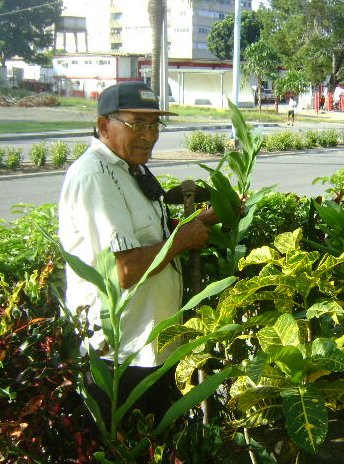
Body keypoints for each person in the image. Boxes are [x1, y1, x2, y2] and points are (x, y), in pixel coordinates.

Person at [58, 81, 218, 425]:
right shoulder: (94, 177)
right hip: (119, 357)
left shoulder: (130, 168)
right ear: (104, 126)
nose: (149, 135)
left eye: (155, 124)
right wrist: (183, 240)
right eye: (137, 124)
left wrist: (197, 222)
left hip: (151, 347)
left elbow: (147, 237)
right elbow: (124, 270)